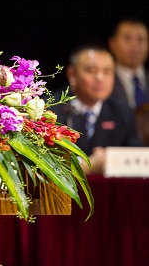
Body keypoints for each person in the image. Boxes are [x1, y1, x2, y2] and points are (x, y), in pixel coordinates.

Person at [51, 42, 142, 175]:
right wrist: (89, 166)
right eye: (91, 71)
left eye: (107, 72)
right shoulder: (51, 109)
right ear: (72, 74)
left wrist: (112, 160)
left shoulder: (122, 112)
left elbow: (137, 157)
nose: (100, 78)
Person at [107, 16, 149, 111]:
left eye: (140, 39)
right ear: (112, 44)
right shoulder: (104, 84)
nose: (134, 45)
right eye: (127, 38)